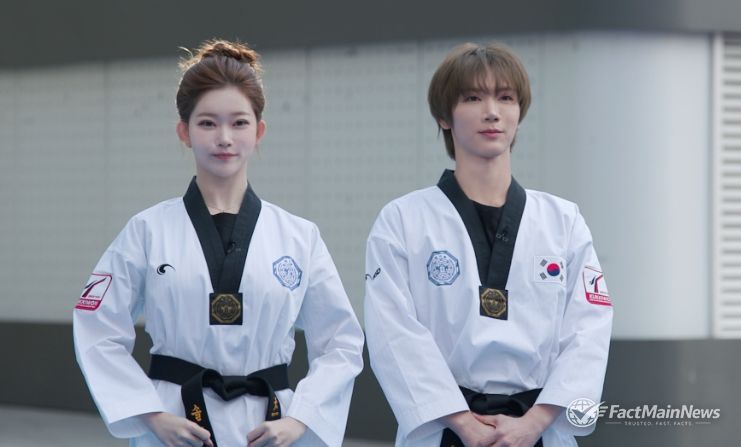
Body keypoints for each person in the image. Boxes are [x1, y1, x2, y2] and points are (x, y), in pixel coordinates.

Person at [73, 39, 364, 447]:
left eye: (239, 123)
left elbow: (341, 341)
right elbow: (96, 327)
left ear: (259, 131)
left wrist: (300, 419)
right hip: (174, 427)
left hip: (270, 427)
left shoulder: (299, 237)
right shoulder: (147, 231)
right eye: (208, 123)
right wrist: (152, 415)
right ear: (184, 132)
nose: (224, 138)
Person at [364, 42, 612, 447]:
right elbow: (393, 333)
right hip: (444, 429)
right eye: (473, 98)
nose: (492, 111)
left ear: (520, 111)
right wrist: (463, 423)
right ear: (444, 116)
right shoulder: (404, 220)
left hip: (539, 429)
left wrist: (534, 423)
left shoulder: (562, 220)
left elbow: (589, 329)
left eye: (505, 97)